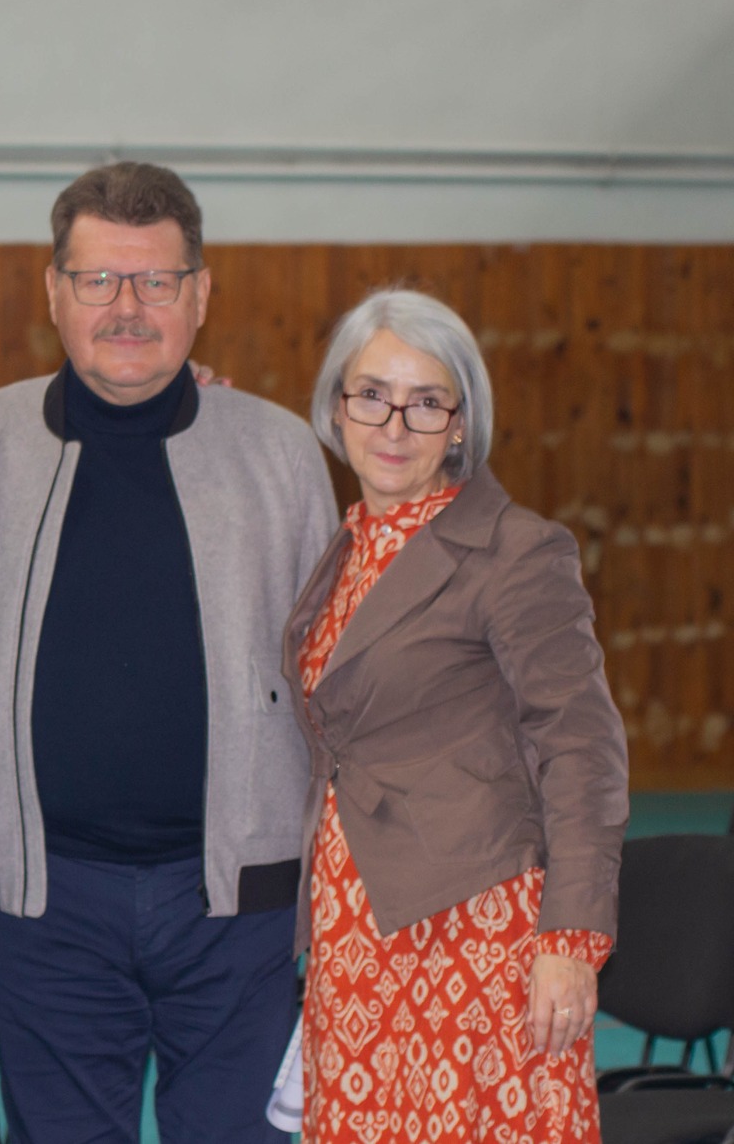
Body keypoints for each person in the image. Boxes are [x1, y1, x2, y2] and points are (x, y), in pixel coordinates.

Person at [0, 161, 339, 1143]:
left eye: (156, 280)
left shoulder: (281, 452)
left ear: (200, 294)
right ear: (53, 291)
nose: (126, 307)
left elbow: (336, 679)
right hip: (45, 900)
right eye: (98, 280)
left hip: (240, 905)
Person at [284, 288, 627, 1143]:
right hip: (354, 922)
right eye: (372, 394)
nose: (395, 425)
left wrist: (571, 937)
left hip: (476, 932)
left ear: (461, 424)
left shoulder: (516, 549)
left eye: (427, 401)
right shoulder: (347, 545)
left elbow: (582, 746)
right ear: (337, 407)